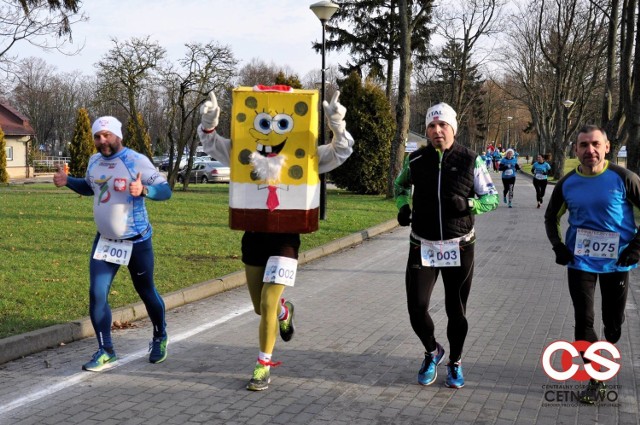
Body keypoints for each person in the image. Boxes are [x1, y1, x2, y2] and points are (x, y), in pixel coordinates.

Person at [198, 88, 353, 391]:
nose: (270, 134)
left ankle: (263, 364)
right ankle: (285, 311)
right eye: (264, 124)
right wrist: (209, 124)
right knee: (261, 307)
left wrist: (337, 125)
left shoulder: (306, 152)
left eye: (281, 124)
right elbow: (212, 145)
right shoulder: (243, 148)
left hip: (285, 238)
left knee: (268, 301)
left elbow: (341, 152)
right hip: (254, 234)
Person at [53, 116, 172, 371]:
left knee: (146, 291)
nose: (102, 140)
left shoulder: (135, 161)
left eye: (107, 135)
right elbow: (90, 187)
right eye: (97, 136)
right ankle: (106, 350)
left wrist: (144, 191)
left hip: (136, 241)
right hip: (105, 242)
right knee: (97, 294)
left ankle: (160, 336)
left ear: (118, 135)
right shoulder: (94, 161)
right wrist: (68, 182)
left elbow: (165, 190)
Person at [394, 102, 498, 389]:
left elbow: (492, 198)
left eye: (442, 125)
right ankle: (432, 352)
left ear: (453, 127)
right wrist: (403, 206)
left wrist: (468, 203)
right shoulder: (415, 160)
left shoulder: (470, 160)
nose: (437, 130)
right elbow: (400, 186)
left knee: (456, 310)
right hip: (423, 244)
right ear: (427, 130)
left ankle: (455, 362)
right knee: (416, 307)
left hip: (460, 245)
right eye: (431, 125)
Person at [544, 124, 640, 404]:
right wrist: (559, 247)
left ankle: (606, 347)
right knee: (583, 321)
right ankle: (596, 377)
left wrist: (635, 248)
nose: (590, 150)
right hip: (581, 262)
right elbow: (551, 217)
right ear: (575, 149)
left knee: (613, 325)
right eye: (584, 145)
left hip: (617, 263)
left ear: (607, 147)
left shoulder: (624, 177)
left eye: (596, 144)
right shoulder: (567, 183)